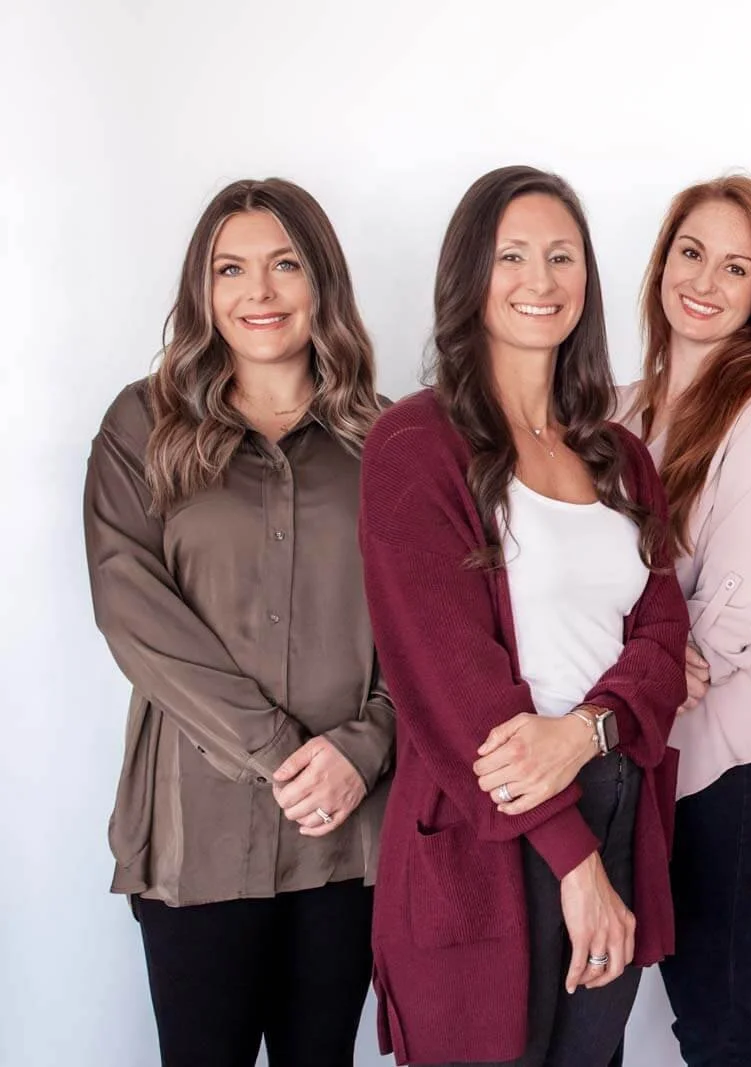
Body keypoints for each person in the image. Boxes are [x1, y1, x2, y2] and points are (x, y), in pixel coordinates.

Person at [358, 165, 689, 1066]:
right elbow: (454, 686)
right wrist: (574, 861)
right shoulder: (415, 446)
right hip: (482, 828)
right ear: (469, 274)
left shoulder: (620, 456)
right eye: (512, 256)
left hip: (612, 795)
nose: (540, 281)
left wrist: (587, 733)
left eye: (562, 256)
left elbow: (664, 640)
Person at [84, 177, 391, 1066]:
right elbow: (129, 605)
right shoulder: (141, 425)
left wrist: (363, 749)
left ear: (321, 282)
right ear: (202, 289)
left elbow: (431, 629)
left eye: (284, 264)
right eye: (231, 269)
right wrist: (282, 754)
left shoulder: (391, 440)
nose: (258, 292)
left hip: (347, 835)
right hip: (197, 833)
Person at [616, 175, 751, 1065]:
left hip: (718, 767)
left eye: (737, 267)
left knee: (713, 1022)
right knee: (586, 1017)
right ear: (662, 261)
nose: (706, 279)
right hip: (614, 758)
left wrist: (620, 691)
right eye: (692, 252)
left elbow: (728, 617)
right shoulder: (608, 411)